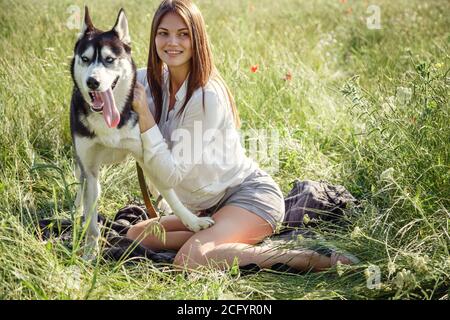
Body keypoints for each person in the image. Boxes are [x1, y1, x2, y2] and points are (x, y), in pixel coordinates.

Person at [127, 0, 354, 271]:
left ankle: (310, 259)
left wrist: (144, 115)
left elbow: (170, 176)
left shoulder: (205, 97)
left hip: (249, 197)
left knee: (190, 260)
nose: (172, 42)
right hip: (206, 208)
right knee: (135, 236)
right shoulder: (151, 81)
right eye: (163, 33)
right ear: (154, 37)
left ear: (197, 38)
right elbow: (111, 77)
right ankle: (217, 242)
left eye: (183, 33)